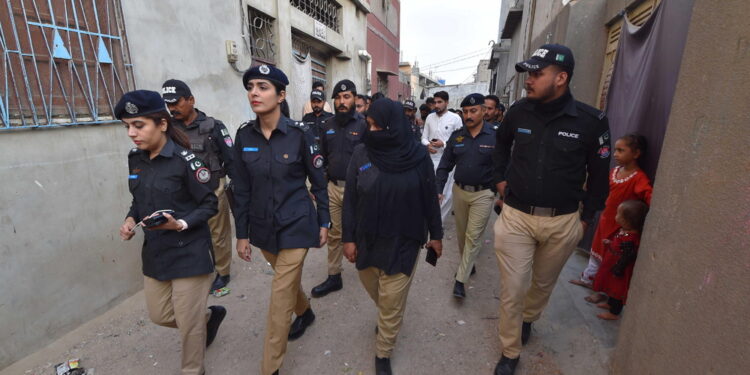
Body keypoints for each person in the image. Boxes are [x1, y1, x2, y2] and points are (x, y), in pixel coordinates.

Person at [491, 44, 611, 375]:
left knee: (541, 285)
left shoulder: (592, 122)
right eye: (528, 73)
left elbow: (600, 177)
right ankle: (510, 350)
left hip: (562, 222)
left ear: (561, 77)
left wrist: (586, 219)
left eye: (537, 74)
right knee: (512, 289)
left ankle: (529, 318)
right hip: (515, 217)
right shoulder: (518, 112)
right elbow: (500, 145)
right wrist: (499, 181)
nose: (529, 80)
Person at [117, 90, 225, 375]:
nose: (131, 133)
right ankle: (209, 317)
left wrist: (180, 224)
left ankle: (194, 369)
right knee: (161, 315)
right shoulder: (136, 159)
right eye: (127, 126)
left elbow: (209, 204)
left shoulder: (186, 161)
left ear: (161, 124)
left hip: (189, 252)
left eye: (138, 125)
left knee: (189, 328)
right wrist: (130, 220)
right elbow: (138, 201)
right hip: (156, 253)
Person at [232, 65, 330, 375]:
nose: (254, 93)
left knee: (278, 296)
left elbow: (319, 181)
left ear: (281, 94)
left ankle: (270, 368)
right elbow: (242, 189)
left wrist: (324, 221)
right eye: (251, 87)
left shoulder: (301, 134)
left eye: (263, 86)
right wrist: (242, 234)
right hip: (264, 228)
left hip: (298, 224)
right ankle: (306, 312)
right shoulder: (243, 135)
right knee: (286, 283)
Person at [342, 98, 443, 375]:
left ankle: (383, 351)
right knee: (377, 292)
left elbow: (429, 198)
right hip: (367, 239)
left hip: (404, 238)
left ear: (393, 126)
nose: (370, 131)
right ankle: (390, 315)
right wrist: (348, 239)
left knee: (391, 300)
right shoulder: (362, 153)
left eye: (376, 126)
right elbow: (350, 199)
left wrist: (436, 234)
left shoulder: (419, 156)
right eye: (368, 124)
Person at [161, 79, 236, 292]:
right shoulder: (168, 128)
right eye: (168, 104)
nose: (172, 108)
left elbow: (230, 159)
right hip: (184, 193)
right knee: (188, 231)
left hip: (213, 189)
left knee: (217, 234)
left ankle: (223, 272)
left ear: (191, 100)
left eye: (176, 103)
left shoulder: (213, 126)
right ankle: (197, 267)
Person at [570, 134, 652, 289]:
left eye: (621, 150)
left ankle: (602, 288)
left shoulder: (638, 178)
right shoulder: (615, 171)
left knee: (610, 256)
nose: (615, 154)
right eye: (615, 150)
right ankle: (588, 279)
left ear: (636, 154)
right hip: (605, 219)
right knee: (596, 250)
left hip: (620, 226)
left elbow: (649, 195)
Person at [310, 79, 367, 298]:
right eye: (338, 97)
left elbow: (372, 158)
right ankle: (334, 276)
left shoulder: (364, 125)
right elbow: (322, 157)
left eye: (346, 97)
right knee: (334, 234)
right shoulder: (327, 125)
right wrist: (320, 184)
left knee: (361, 231)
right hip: (333, 188)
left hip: (358, 190)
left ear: (354, 99)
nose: (342, 102)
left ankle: (368, 269)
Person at [436, 93, 496, 299]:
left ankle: (460, 280)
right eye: (465, 112)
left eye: (473, 111)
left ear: (484, 111)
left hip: (484, 194)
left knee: (473, 236)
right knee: (462, 236)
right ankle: (469, 264)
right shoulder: (457, 136)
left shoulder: (495, 136)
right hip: (460, 192)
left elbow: (505, 166)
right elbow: (444, 165)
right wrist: (438, 189)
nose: (469, 115)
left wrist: (503, 193)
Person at [588, 200, 648, 320]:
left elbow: (627, 255)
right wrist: (610, 243)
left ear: (626, 220)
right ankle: (610, 304)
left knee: (617, 290)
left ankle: (614, 312)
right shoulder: (625, 232)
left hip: (618, 268)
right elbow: (619, 247)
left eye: (618, 214)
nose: (616, 216)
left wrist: (618, 268)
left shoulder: (630, 239)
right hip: (612, 263)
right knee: (611, 286)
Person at [421, 91, 463, 221]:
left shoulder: (455, 118)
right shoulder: (429, 117)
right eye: (435, 102)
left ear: (447, 102)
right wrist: (427, 145)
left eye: (440, 102)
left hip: (448, 163)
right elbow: (423, 138)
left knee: (445, 194)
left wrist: (443, 144)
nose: (436, 105)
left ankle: (438, 223)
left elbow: (460, 140)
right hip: (430, 160)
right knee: (430, 192)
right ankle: (431, 221)